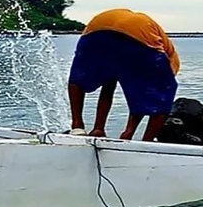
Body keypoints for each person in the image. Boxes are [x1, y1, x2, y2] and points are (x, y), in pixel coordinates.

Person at [67, 8, 180, 141]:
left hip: (96, 28)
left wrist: (122, 131)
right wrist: (130, 130)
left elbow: (109, 89)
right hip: (139, 33)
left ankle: (81, 127)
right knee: (164, 93)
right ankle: (146, 142)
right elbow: (147, 97)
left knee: (81, 77)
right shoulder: (171, 60)